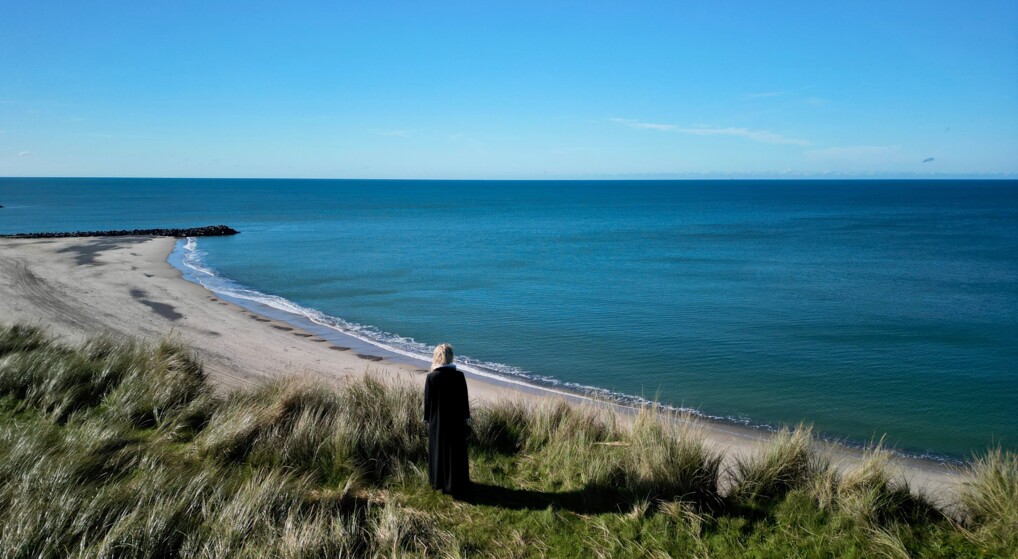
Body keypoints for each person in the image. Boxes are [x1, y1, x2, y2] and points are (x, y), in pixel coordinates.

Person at [423, 343, 470, 495]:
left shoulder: (431, 377)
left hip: (437, 421)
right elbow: (464, 400)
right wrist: (465, 417)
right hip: (456, 420)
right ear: (450, 357)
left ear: (437, 357)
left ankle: (439, 482)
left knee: (438, 452)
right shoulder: (459, 376)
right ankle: (458, 482)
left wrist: (427, 419)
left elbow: (428, 402)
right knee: (456, 452)